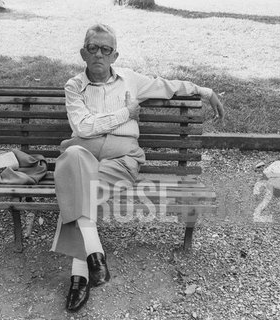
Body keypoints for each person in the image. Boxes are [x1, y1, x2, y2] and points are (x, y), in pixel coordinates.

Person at [50, 24, 225, 312]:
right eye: (92, 48)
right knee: (71, 160)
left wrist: (205, 91)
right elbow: (81, 127)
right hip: (84, 154)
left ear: (115, 55)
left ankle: (79, 276)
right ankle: (95, 255)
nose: (99, 55)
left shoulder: (131, 80)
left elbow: (167, 85)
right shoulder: (74, 86)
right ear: (83, 53)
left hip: (122, 161)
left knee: (75, 192)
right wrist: (126, 113)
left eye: (106, 50)